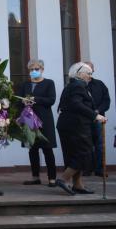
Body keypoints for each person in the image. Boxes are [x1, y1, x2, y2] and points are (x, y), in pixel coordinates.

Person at [55, 62, 107, 195]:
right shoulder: (78, 85)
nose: (90, 76)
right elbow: (76, 104)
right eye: (88, 73)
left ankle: (78, 185)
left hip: (68, 124)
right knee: (84, 153)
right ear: (79, 74)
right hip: (76, 125)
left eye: (91, 74)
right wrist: (95, 115)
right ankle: (63, 179)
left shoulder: (73, 85)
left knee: (74, 154)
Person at [18, 59, 57, 187]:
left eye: (36, 69)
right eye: (31, 69)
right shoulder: (25, 84)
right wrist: (23, 102)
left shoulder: (49, 83)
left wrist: (36, 99)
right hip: (29, 119)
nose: (34, 71)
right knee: (33, 149)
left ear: (42, 69)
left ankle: (52, 178)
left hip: (45, 120)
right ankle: (35, 177)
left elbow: (51, 100)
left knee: (47, 149)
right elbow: (18, 99)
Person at [84, 61, 111, 177]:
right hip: (84, 119)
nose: (89, 72)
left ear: (93, 71)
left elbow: (106, 101)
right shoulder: (79, 85)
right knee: (86, 144)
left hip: (98, 119)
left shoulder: (100, 84)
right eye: (86, 70)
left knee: (100, 144)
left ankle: (99, 169)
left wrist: (98, 111)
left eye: (90, 69)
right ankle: (87, 169)